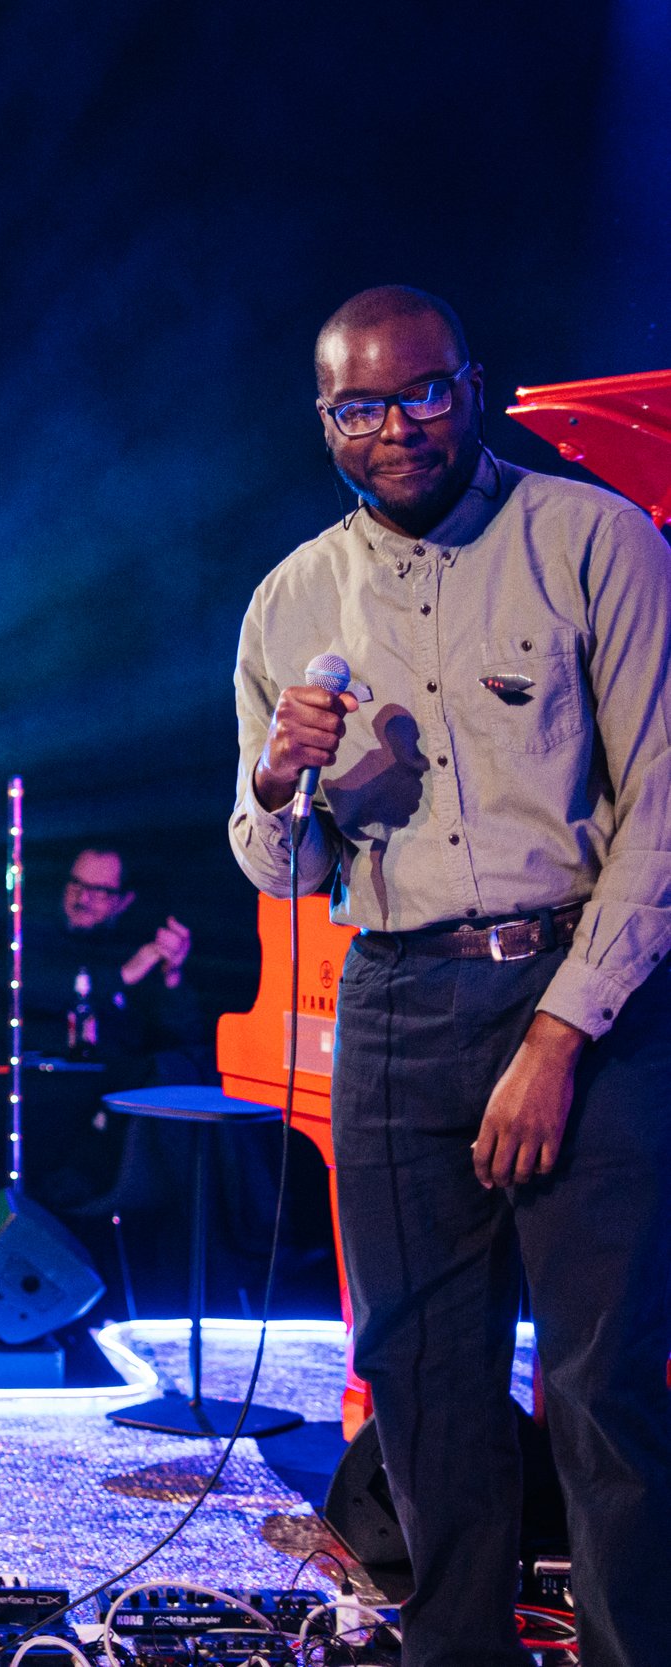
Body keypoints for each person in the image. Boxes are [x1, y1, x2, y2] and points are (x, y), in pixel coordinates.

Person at [232, 284, 671, 1663]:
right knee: (423, 1385)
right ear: (324, 420)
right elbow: (279, 866)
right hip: (397, 1005)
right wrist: (280, 776)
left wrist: (556, 1032)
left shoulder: (593, 539)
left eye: (422, 392)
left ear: (472, 385)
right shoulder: (292, 596)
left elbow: (662, 804)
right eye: (359, 406)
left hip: (585, 1000)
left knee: (604, 1395)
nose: (396, 426)